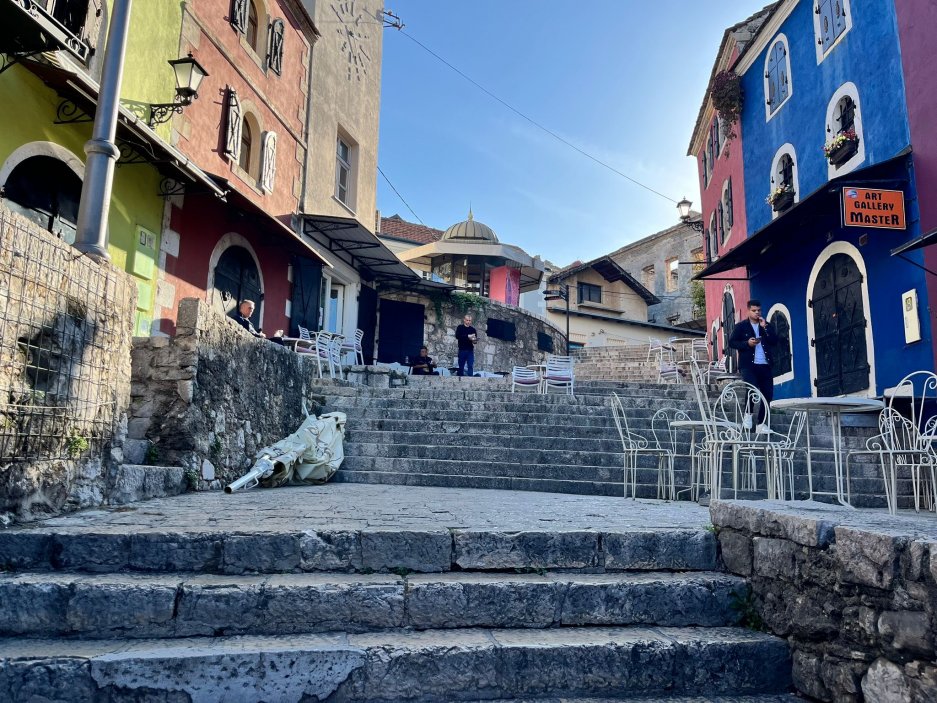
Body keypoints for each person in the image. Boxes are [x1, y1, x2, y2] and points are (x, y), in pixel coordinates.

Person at [728, 299, 777, 428]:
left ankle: (761, 423)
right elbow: (732, 342)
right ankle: (748, 416)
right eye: (754, 311)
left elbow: (774, 341)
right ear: (748, 311)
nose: (757, 313)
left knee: (767, 393)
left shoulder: (766, 325)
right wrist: (746, 343)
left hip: (765, 364)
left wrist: (765, 327)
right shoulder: (741, 326)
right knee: (752, 389)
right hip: (748, 365)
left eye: (759, 310)